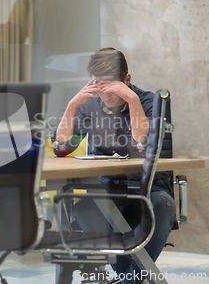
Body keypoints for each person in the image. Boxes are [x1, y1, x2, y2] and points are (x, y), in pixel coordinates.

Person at [51, 47, 176, 284]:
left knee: (164, 206)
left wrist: (132, 99)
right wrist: (73, 105)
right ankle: (132, 279)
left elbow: (144, 142)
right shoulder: (89, 106)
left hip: (148, 190)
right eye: (99, 85)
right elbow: (62, 147)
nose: (106, 94)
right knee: (84, 209)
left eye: (112, 86)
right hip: (104, 190)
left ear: (127, 79)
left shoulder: (149, 102)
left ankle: (130, 280)